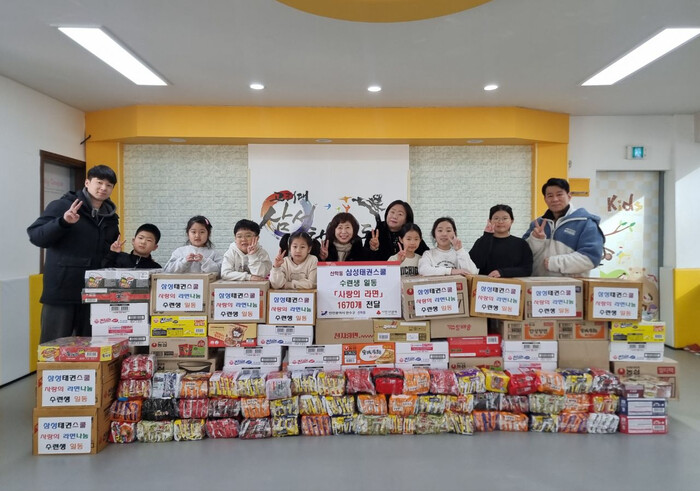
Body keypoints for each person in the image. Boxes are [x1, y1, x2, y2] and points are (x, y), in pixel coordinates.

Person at [27, 164, 120, 342]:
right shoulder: (63, 206)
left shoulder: (110, 218)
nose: (103, 188)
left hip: (94, 292)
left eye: (109, 185)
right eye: (99, 182)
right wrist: (63, 222)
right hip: (62, 291)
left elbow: (106, 253)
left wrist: (115, 254)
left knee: (89, 347)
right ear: (87, 182)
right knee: (54, 346)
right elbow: (37, 236)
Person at [523, 177, 605, 277]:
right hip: (536, 284)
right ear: (545, 199)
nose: (555, 199)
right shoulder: (537, 224)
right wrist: (535, 240)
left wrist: (554, 263)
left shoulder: (586, 223)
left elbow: (591, 258)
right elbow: (522, 255)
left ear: (569, 196)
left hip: (570, 286)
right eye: (550, 195)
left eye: (559, 194)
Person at [469, 205, 533, 278]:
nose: (500, 222)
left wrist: (503, 272)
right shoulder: (482, 241)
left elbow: (527, 269)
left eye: (505, 218)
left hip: (513, 284)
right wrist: (487, 236)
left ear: (512, 221)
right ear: (490, 221)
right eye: (496, 218)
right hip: (486, 283)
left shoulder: (521, 244)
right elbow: (473, 264)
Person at [364, 200, 429, 260]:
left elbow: (427, 257)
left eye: (400, 214)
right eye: (392, 212)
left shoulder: (412, 237)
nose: (394, 216)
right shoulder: (373, 236)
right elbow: (364, 261)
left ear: (407, 219)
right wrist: (374, 249)